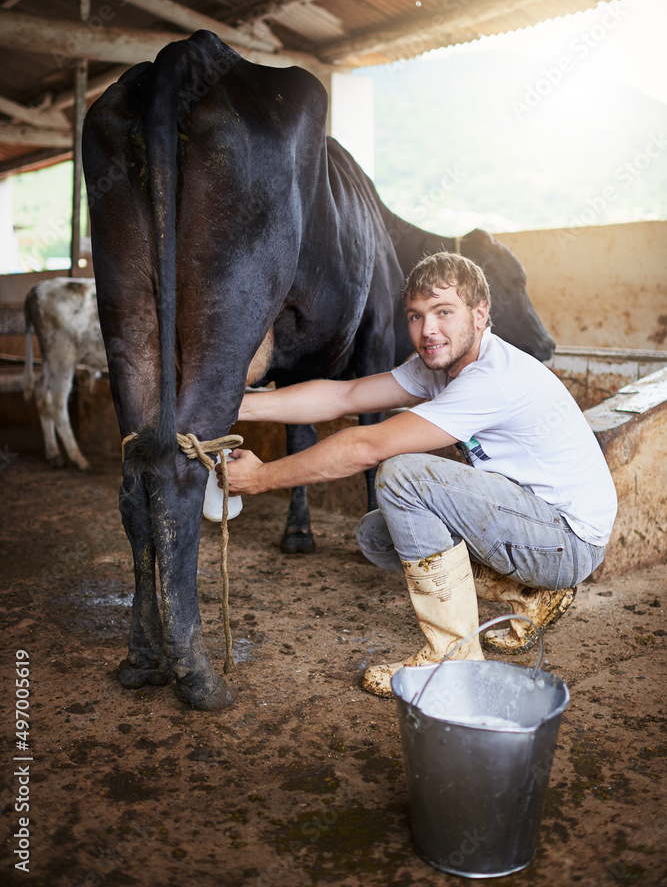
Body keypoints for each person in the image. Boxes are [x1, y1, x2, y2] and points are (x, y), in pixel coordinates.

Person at [218, 252, 617, 697]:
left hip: (568, 539)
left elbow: (367, 446)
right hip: (533, 520)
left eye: (444, 312)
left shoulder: (491, 378)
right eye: (416, 315)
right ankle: (528, 593)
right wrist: (237, 405)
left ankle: (453, 657)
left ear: (481, 314)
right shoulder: (440, 365)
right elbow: (345, 396)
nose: (428, 330)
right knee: (381, 533)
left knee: (403, 477)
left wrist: (262, 478)